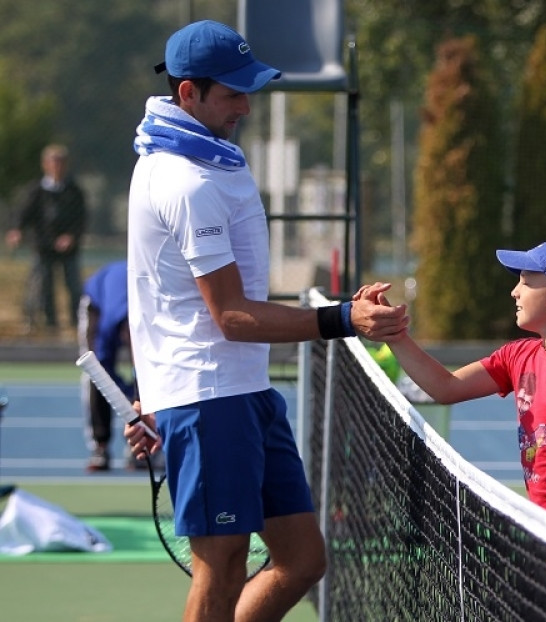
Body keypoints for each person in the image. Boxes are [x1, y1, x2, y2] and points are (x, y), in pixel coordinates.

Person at [123, 20, 408, 622]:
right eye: (232, 94)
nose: (246, 107)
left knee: (303, 559)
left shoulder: (211, 161)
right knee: (221, 564)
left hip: (243, 391)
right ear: (188, 94)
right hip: (207, 396)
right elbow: (231, 315)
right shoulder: (184, 179)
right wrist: (343, 319)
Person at [366, 239, 546, 557]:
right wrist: (395, 336)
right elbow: (446, 387)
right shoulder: (517, 356)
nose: (515, 291)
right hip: (543, 517)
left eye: (525, 282)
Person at [5, 144, 87, 333]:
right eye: (53, 162)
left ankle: (77, 323)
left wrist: (71, 237)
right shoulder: (36, 190)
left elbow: (81, 218)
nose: (56, 166)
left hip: (68, 249)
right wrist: (16, 230)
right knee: (43, 286)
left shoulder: (73, 191)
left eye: (60, 162)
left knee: (74, 286)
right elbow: (24, 214)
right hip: (43, 247)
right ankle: (51, 323)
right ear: (45, 165)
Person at [78, 259, 135, 472]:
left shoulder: (151, 320)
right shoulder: (108, 323)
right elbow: (99, 367)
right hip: (97, 300)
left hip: (134, 296)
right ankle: (100, 446)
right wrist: (126, 392)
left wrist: (137, 393)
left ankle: (141, 447)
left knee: (151, 377)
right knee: (95, 374)